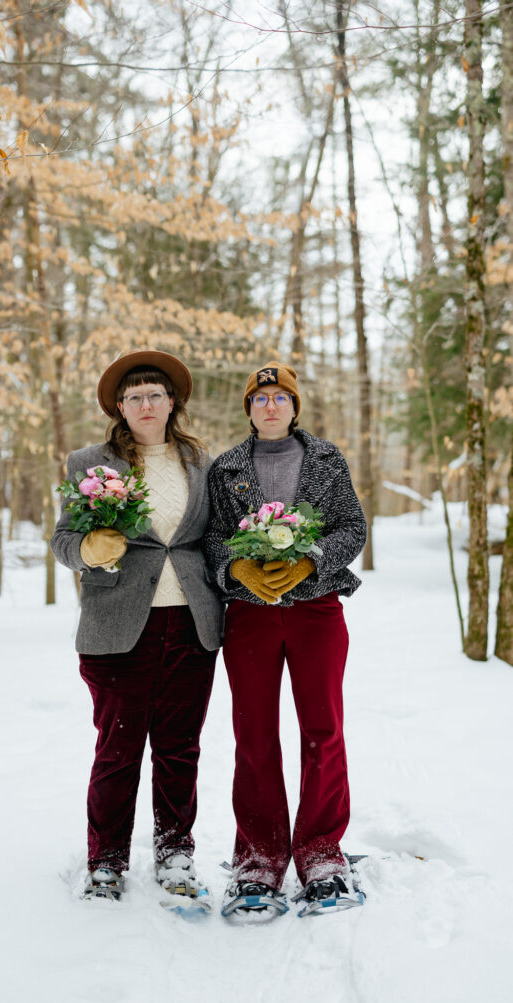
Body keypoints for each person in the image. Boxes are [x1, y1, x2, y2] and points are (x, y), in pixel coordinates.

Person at [51, 350, 222, 907]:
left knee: (180, 749)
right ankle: (106, 860)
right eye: (134, 397)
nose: (146, 404)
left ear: (172, 403)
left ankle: (176, 852)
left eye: (155, 395)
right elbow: (63, 541)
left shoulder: (203, 464)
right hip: (118, 627)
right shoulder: (89, 463)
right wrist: (88, 550)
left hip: (193, 623)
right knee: (118, 750)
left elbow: (211, 539)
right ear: (119, 408)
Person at [203, 360, 367, 921]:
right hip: (250, 615)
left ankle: (321, 853)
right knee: (254, 733)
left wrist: (311, 560)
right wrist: (238, 568)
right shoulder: (226, 468)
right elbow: (212, 539)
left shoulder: (326, 459)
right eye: (260, 397)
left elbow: (352, 527)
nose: (270, 405)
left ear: (295, 407)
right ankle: (258, 858)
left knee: (323, 729)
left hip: (315, 610)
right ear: (248, 409)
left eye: (280, 397)